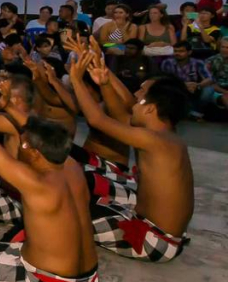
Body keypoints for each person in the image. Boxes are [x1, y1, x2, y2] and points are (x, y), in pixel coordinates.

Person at [0, 77, 99, 282]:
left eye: (23, 143)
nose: (20, 146)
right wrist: (8, 106)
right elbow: (36, 127)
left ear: (33, 151)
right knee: (5, 244)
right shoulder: (71, 167)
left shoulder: (37, 182)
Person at [69, 53, 193, 262]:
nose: (134, 96)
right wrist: (106, 81)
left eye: (140, 94)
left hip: (153, 241)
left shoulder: (154, 140)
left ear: (151, 108)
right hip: (158, 233)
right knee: (84, 193)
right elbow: (122, 115)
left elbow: (97, 119)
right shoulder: (165, 137)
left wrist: (75, 80)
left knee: (64, 209)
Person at [160, 42, 215, 115]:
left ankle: (197, 110)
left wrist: (198, 85)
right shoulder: (167, 62)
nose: (177, 53)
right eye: (175, 51)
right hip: (175, 87)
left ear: (189, 52)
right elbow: (163, 79)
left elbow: (210, 78)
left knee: (209, 90)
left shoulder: (198, 63)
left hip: (193, 88)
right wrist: (183, 85)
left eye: (181, 51)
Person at [205, 39, 228, 109]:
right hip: (217, 90)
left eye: (227, 48)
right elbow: (209, 83)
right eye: (222, 47)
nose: (224, 50)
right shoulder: (211, 61)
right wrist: (225, 92)